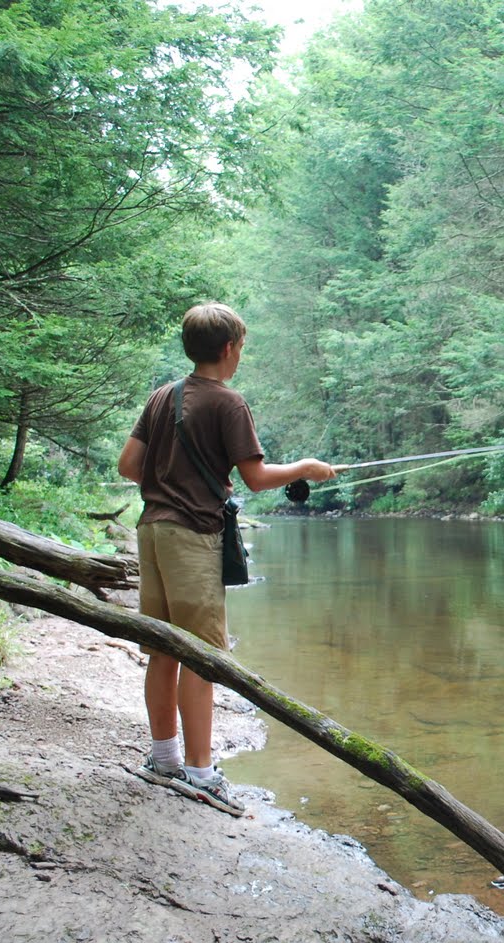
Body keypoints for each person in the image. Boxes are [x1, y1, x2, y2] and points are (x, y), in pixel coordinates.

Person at [117, 302, 337, 815]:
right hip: (192, 538)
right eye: (241, 347)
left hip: (150, 531)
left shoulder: (162, 396)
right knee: (201, 653)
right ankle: (198, 772)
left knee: (162, 646)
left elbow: (130, 465)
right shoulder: (228, 403)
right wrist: (306, 466)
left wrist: (172, 485)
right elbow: (258, 478)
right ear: (229, 348)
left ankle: (163, 759)